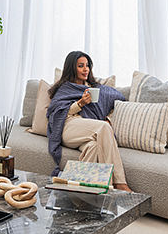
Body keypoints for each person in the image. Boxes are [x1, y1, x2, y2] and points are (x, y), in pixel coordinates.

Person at [46, 50, 131, 192]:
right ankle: (119, 183)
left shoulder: (95, 88)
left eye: (87, 65)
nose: (86, 69)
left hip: (86, 129)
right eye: (81, 66)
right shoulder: (65, 88)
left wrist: (107, 118)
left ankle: (79, 193)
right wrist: (80, 103)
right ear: (72, 68)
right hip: (67, 127)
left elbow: (118, 98)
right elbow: (58, 114)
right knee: (103, 128)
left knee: (94, 147)